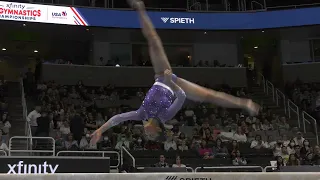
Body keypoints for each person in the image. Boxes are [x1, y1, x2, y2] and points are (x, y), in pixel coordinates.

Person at [91, 0, 260, 143]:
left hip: (160, 77)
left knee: (153, 42)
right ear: (158, 130)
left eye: (146, 135)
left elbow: (118, 118)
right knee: (210, 95)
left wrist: (100, 129)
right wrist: (170, 80)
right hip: (171, 81)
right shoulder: (165, 116)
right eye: (151, 135)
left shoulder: (141, 114)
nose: (146, 133)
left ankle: (140, 8)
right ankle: (244, 103)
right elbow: (182, 97)